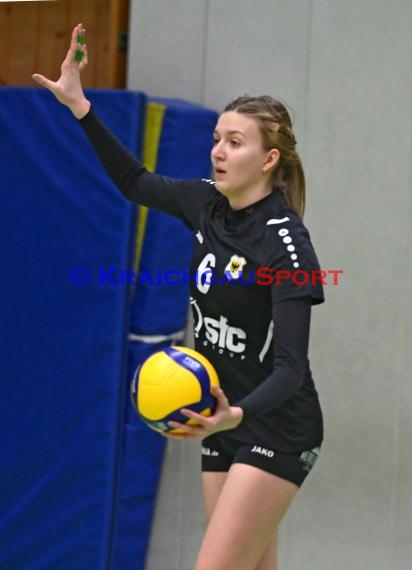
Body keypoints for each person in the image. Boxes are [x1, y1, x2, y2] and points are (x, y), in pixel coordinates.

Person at [33, 24, 325, 570]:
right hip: (220, 414)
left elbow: (289, 368)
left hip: (274, 422)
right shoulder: (205, 203)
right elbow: (135, 182)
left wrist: (234, 415)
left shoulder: (286, 244)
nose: (217, 150)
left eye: (234, 143)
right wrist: (79, 107)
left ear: (267, 161)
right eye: (216, 138)